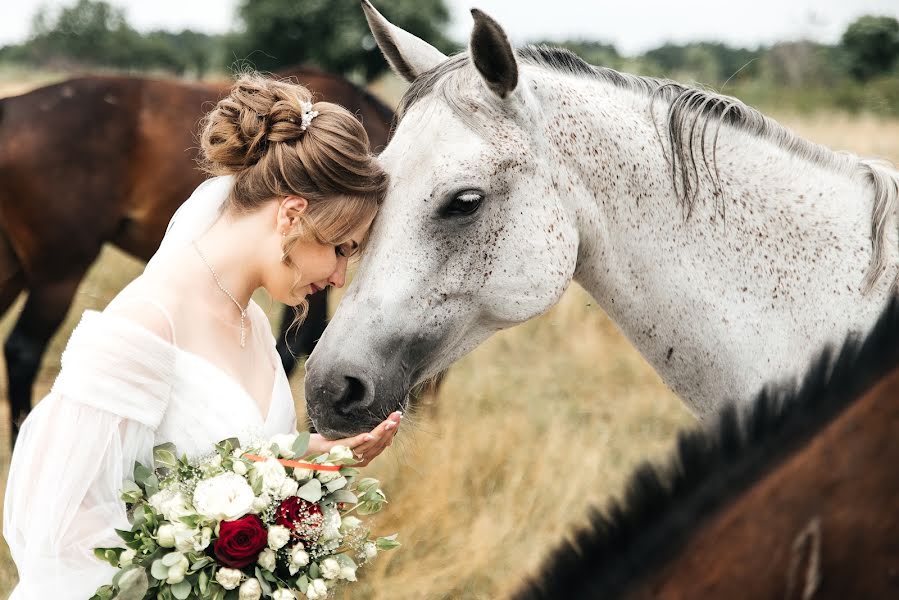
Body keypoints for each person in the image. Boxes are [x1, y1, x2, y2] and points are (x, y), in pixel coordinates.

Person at [3, 74, 401, 598]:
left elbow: (226, 463)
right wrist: (202, 559)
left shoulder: (254, 325)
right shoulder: (143, 328)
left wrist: (311, 462)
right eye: (342, 249)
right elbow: (61, 530)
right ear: (291, 214)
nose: (338, 279)